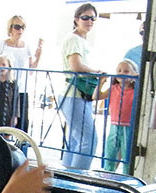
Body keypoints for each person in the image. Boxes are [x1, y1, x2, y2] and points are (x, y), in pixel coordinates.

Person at [0, 15, 42, 132]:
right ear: (10, 28)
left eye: (23, 27)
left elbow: (31, 70)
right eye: (17, 27)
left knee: (21, 125)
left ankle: (18, 149)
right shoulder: (3, 44)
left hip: (21, 89)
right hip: (3, 88)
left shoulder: (26, 46)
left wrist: (38, 56)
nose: (20, 30)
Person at [59, 3, 103, 170]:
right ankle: (78, 180)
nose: (89, 21)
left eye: (93, 18)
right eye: (85, 17)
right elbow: (75, 66)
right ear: (76, 19)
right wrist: (96, 72)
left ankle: (67, 176)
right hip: (74, 94)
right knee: (89, 140)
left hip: (75, 95)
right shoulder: (74, 39)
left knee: (75, 139)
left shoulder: (80, 40)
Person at [100, 59, 138, 174]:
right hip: (114, 125)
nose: (121, 73)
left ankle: (127, 176)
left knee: (127, 154)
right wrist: (101, 82)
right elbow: (96, 96)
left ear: (133, 75)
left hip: (128, 126)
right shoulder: (113, 89)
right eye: (119, 71)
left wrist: (138, 78)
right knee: (110, 151)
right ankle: (108, 174)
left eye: (126, 71)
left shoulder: (135, 90)